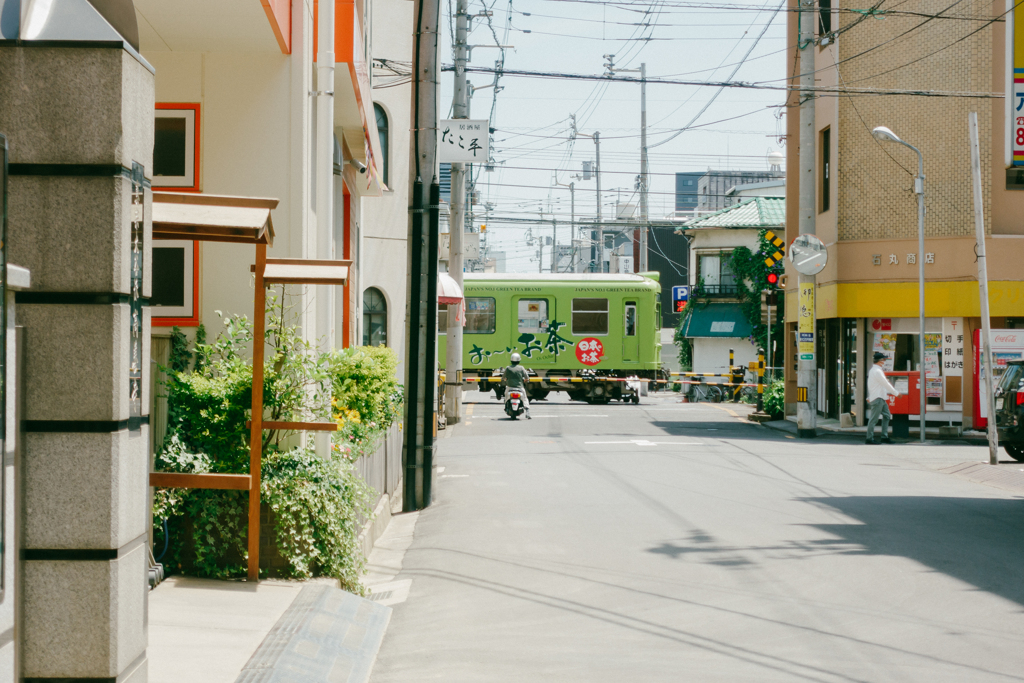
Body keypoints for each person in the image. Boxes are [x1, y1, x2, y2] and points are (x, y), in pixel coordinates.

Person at [866, 351, 900, 444]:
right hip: (878, 398)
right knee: (874, 419)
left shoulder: (874, 370)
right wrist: (896, 393)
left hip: (880, 397)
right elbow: (886, 383)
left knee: (887, 415)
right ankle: (869, 438)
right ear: (880, 361)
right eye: (884, 359)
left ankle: (884, 436)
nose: (884, 361)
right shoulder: (877, 371)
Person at [503, 352, 532, 419]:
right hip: (520, 387)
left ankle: (506, 407)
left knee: (506, 396)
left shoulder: (508, 368)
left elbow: (503, 377)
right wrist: (525, 380)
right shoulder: (521, 368)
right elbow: (527, 377)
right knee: (525, 398)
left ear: (511, 360)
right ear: (519, 360)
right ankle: (528, 412)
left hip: (510, 387)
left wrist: (505, 379)